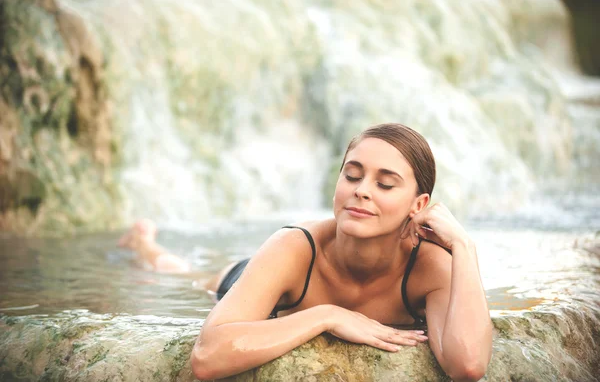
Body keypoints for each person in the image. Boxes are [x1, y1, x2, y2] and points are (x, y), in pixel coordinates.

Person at [119, 123, 493, 381]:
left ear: (419, 204)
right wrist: (327, 316)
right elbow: (207, 357)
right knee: (188, 276)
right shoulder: (294, 247)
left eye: (385, 184)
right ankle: (145, 245)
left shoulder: (430, 265)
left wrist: (464, 246)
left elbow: (468, 365)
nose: (362, 190)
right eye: (352, 175)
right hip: (263, 279)